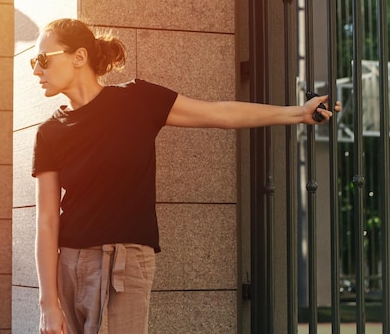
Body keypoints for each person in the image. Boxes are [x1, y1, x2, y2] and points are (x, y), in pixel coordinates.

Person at [31, 18, 340, 334]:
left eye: (42, 59)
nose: (36, 70)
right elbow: (46, 221)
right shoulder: (49, 133)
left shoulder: (137, 99)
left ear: (79, 57)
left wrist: (298, 113)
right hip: (69, 265)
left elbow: (219, 114)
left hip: (124, 260)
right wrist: (48, 304)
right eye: (32, 62)